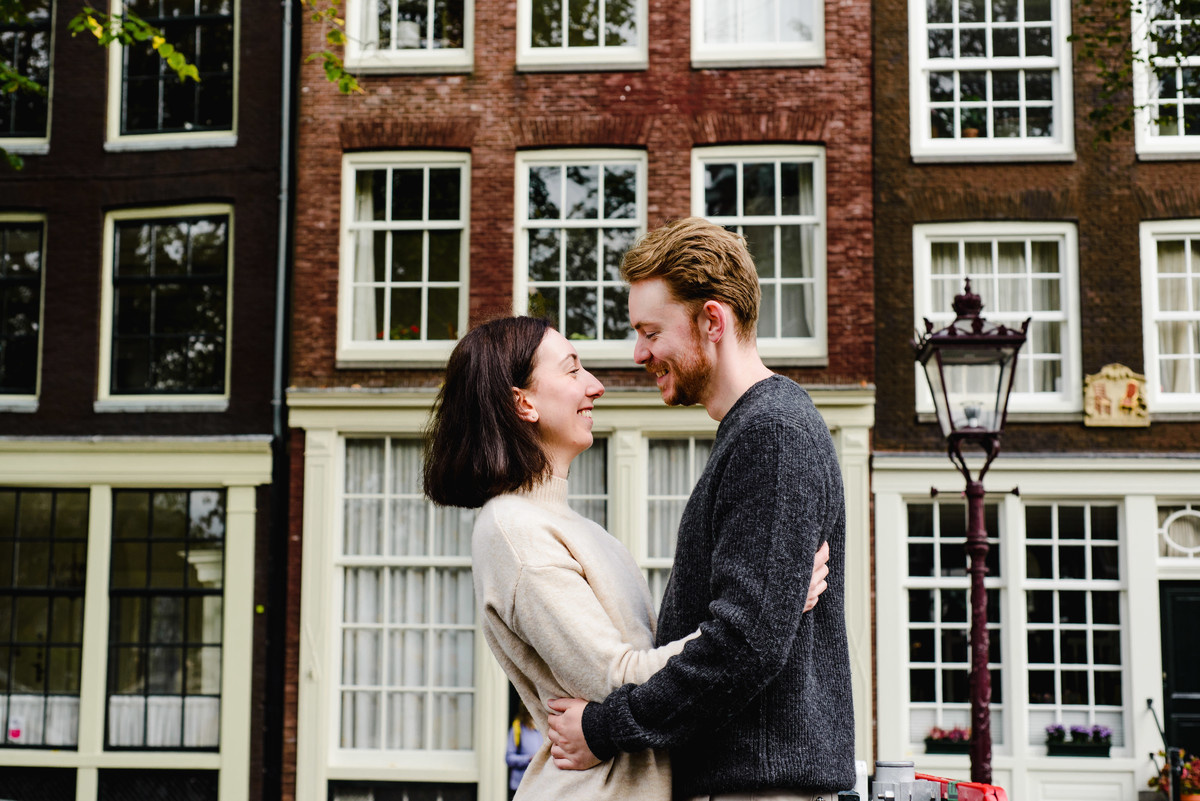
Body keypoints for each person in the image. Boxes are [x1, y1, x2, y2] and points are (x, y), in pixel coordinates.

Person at [423, 315, 831, 800]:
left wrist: (767, 595)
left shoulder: (586, 532)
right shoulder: (513, 530)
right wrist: (771, 604)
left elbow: (662, 657)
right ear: (523, 402)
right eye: (573, 370)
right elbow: (614, 680)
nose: (594, 386)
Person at [546, 217, 857, 801]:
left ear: (712, 320)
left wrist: (603, 728)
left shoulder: (773, 434)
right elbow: (754, 627)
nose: (639, 353)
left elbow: (742, 644)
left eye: (651, 331)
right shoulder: (757, 430)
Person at [505, 702, 543, 799]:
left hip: (541, 784)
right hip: (521, 785)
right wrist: (528, 759)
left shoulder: (545, 726)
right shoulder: (518, 728)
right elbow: (509, 758)